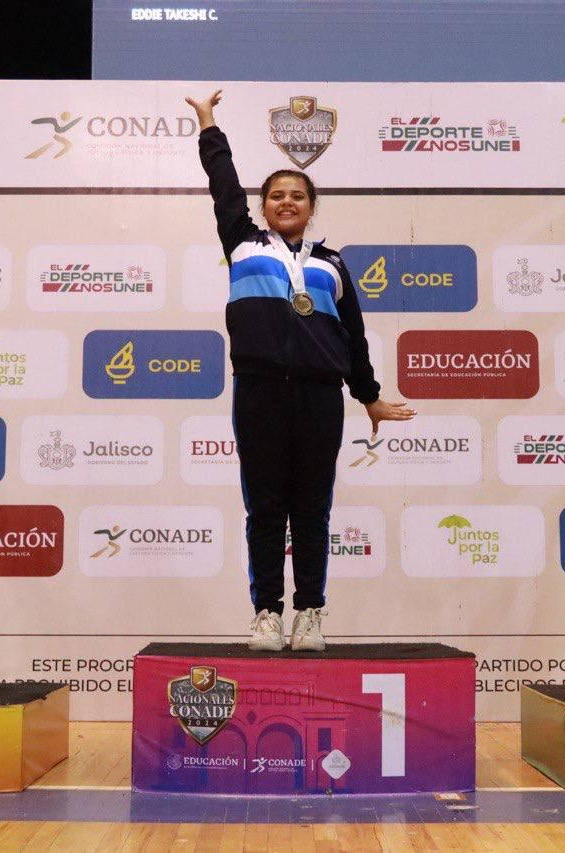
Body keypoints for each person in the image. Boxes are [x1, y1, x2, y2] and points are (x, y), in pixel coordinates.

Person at [185, 90, 414, 652]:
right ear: (263, 207)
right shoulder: (241, 243)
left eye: (297, 195)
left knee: (312, 509)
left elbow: (352, 336)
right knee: (264, 508)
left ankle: (310, 613)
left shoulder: (333, 264)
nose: (287, 201)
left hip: (318, 396)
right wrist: (209, 125)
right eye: (276, 195)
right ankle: (267, 613)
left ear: (311, 206)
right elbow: (221, 183)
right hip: (259, 392)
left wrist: (370, 396)